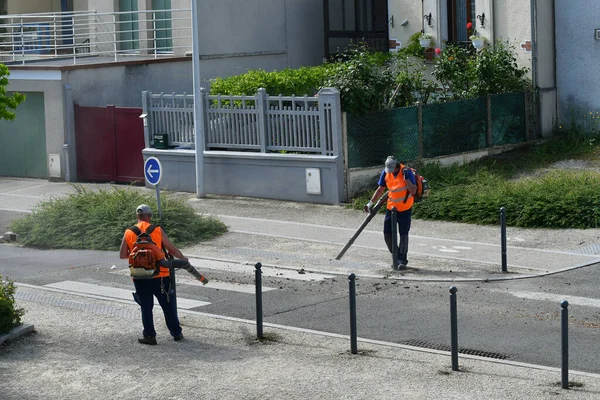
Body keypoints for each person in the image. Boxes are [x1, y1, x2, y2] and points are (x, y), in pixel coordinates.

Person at [119, 204, 209, 345]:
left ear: (137, 217)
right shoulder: (157, 230)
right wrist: (184, 260)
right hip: (160, 275)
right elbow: (171, 249)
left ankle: (149, 336)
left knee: (146, 307)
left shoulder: (128, 232)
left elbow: (122, 255)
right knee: (167, 305)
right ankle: (176, 333)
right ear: (149, 216)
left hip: (139, 276)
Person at [364, 156, 416, 270]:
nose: (391, 172)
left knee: (403, 235)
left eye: (392, 170)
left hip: (405, 208)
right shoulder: (385, 173)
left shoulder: (406, 172)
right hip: (391, 208)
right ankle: (396, 256)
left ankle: (402, 260)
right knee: (387, 233)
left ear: (397, 166)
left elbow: (413, 190)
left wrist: (407, 179)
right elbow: (380, 189)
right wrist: (370, 203)